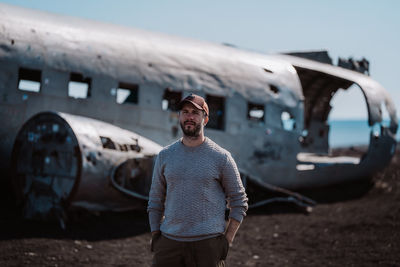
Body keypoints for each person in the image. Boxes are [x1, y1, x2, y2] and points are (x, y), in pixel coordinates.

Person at [147, 93, 248, 267]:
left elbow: (239, 201)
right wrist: (156, 235)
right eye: (185, 112)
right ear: (179, 116)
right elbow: (155, 199)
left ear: (205, 119)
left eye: (195, 112)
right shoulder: (165, 155)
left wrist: (226, 241)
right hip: (169, 244)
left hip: (207, 247)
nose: (189, 117)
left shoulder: (221, 157)